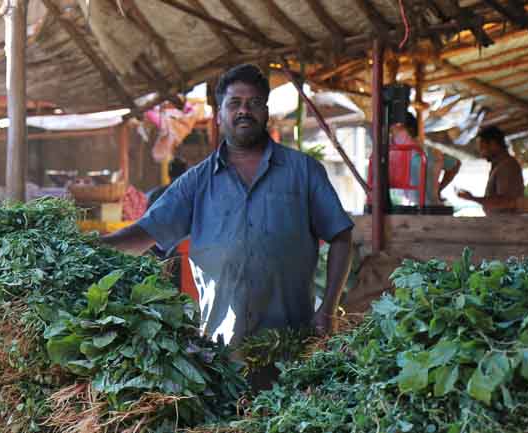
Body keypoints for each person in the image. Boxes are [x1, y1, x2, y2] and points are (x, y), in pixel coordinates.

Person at [101, 64, 353, 350]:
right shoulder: (195, 182)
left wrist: (329, 308)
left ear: (266, 112)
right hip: (220, 352)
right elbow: (145, 233)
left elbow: (341, 237)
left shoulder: (303, 171)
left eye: (254, 103)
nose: (244, 110)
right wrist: (93, 246)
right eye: (234, 103)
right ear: (220, 114)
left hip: (292, 344)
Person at [390, 113, 461, 206]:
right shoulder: (431, 152)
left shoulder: (393, 151)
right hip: (428, 208)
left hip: (417, 209)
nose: (391, 134)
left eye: (393, 131)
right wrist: (439, 188)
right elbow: (455, 165)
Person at [457, 126, 524, 214]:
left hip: (507, 225)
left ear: (493, 144)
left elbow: (507, 201)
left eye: (482, 148)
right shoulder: (500, 165)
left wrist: (473, 198)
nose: (481, 154)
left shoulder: (507, 166)